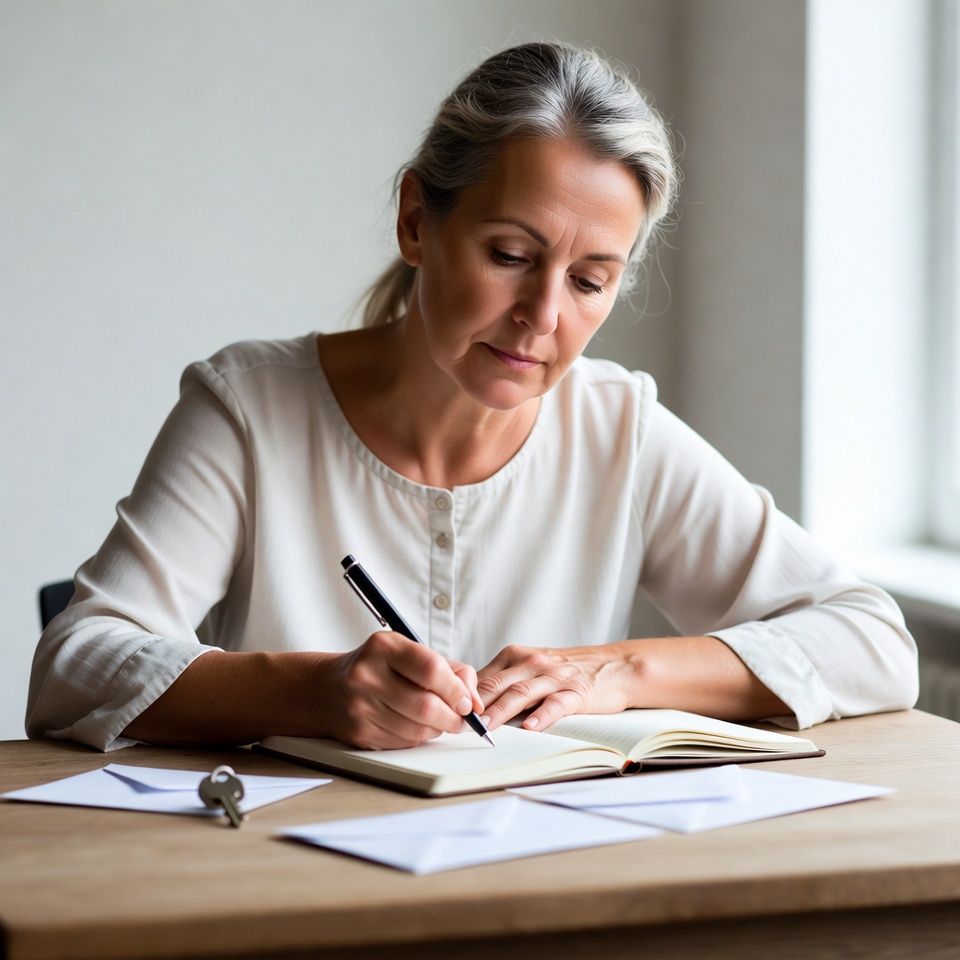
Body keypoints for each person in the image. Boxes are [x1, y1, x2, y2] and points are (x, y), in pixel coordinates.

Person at [26, 41, 917, 753]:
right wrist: (315, 692)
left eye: (590, 281)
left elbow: (872, 640)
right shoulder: (249, 408)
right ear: (418, 220)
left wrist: (615, 674)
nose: (541, 317)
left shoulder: (620, 429)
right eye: (510, 256)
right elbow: (72, 665)